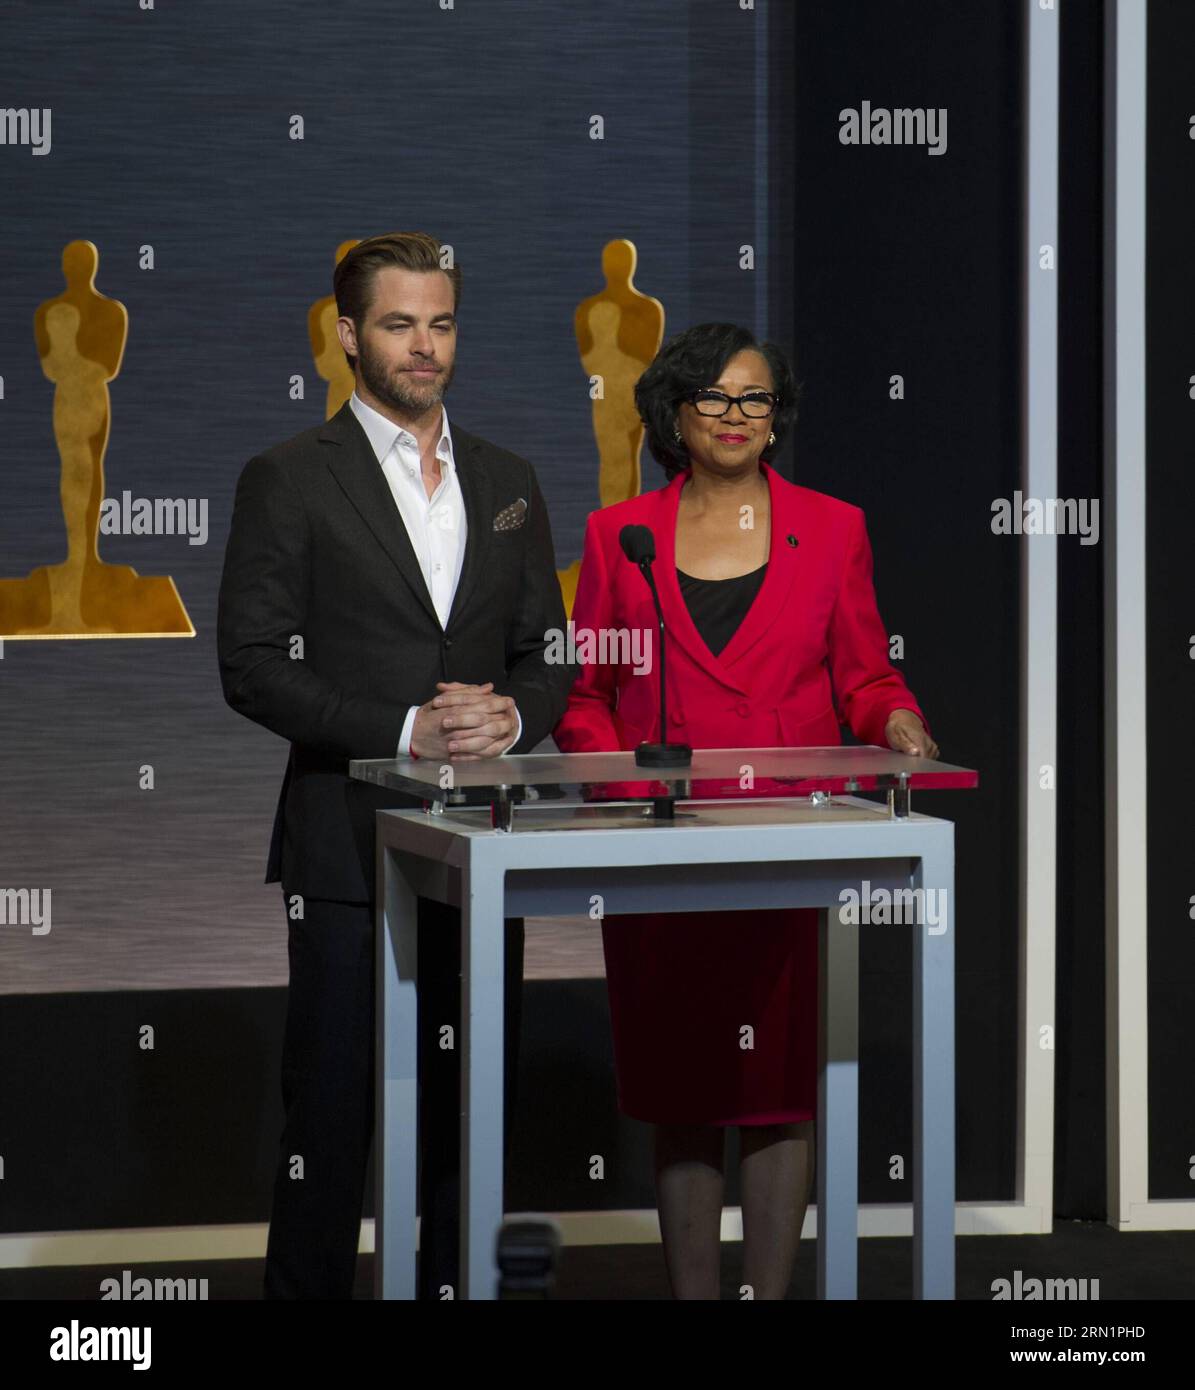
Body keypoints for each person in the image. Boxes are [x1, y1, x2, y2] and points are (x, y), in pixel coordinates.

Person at [217, 231, 573, 1299]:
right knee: (328, 1123)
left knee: (469, 1121)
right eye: (399, 323)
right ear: (345, 335)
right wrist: (405, 728)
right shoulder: (286, 477)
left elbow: (545, 653)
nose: (425, 347)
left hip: (482, 854)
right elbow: (249, 666)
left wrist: (514, 716)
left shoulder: (508, 478)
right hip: (345, 849)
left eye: (442, 322)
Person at [553, 322, 939, 1300]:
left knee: (777, 1086)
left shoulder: (834, 526)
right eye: (715, 398)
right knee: (680, 1087)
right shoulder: (618, 534)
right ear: (674, 415)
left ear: (776, 418)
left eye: (754, 399)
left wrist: (898, 721)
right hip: (660, 845)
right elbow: (585, 695)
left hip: (789, 844)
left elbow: (864, 673)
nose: (735, 416)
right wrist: (618, 786)